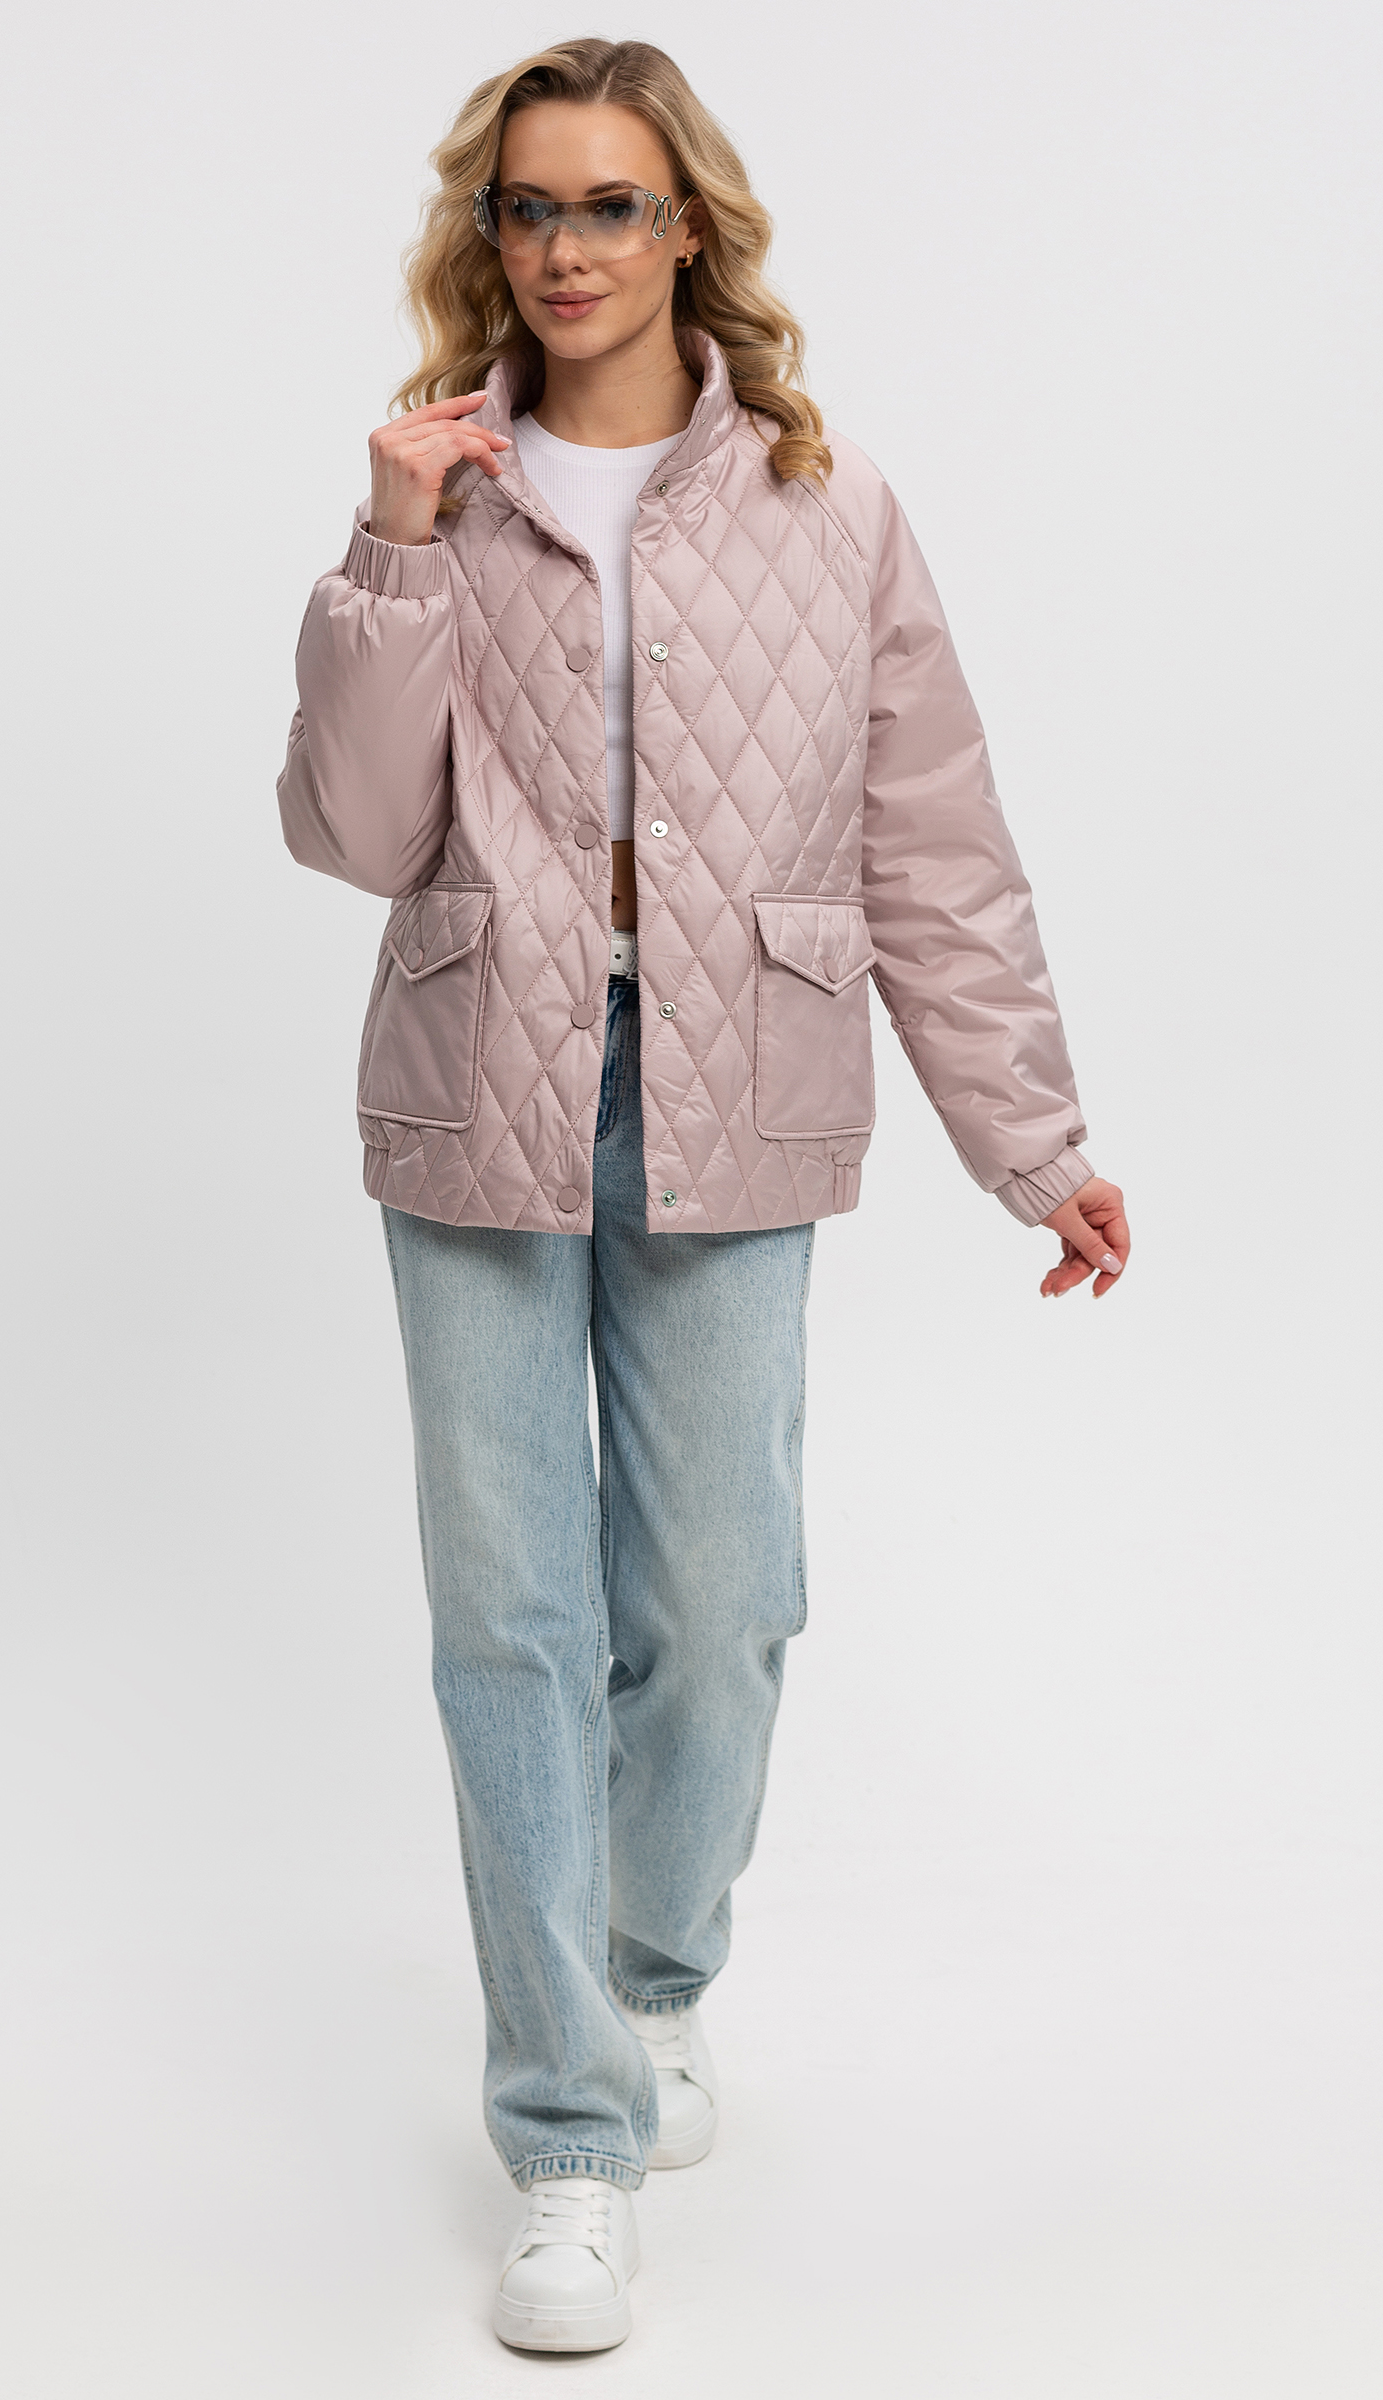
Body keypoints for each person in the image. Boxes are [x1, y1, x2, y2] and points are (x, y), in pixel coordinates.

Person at [277, 37, 1130, 2355]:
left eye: (607, 205)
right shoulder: (438, 485)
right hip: (479, 1073)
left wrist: (1030, 1141)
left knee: (725, 1596)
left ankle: (650, 1979)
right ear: (489, 235)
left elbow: (932, 847)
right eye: (526, 207)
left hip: (736, 1073)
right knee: (511, 1620)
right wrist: (389, 545)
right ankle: (566, 2138)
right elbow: (350, 833)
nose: (562, 248)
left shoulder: (825, 505)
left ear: (687, 231)